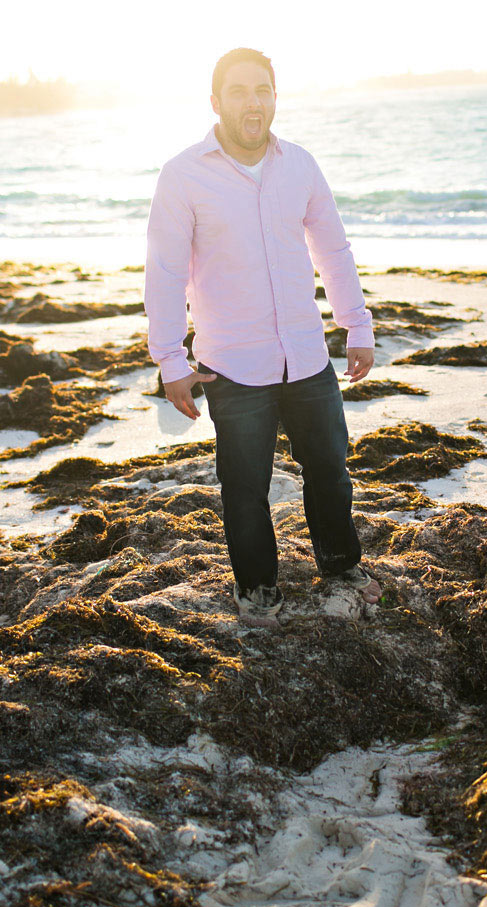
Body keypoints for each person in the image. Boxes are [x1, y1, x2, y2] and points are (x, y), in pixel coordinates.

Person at [144, 47, 382, 627]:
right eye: (240, 91)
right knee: (244, 487)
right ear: (216, 101)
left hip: (305, 352)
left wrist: (357, 323)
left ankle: (343, 569)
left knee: (329, 469)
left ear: (275, 97)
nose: (253, 103)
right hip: (232, 363)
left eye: (263, 91)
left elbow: (333, 248)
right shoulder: (183, 174)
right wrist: (169, 358)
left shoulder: (299, 164)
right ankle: (257, 590)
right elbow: (165, 270)